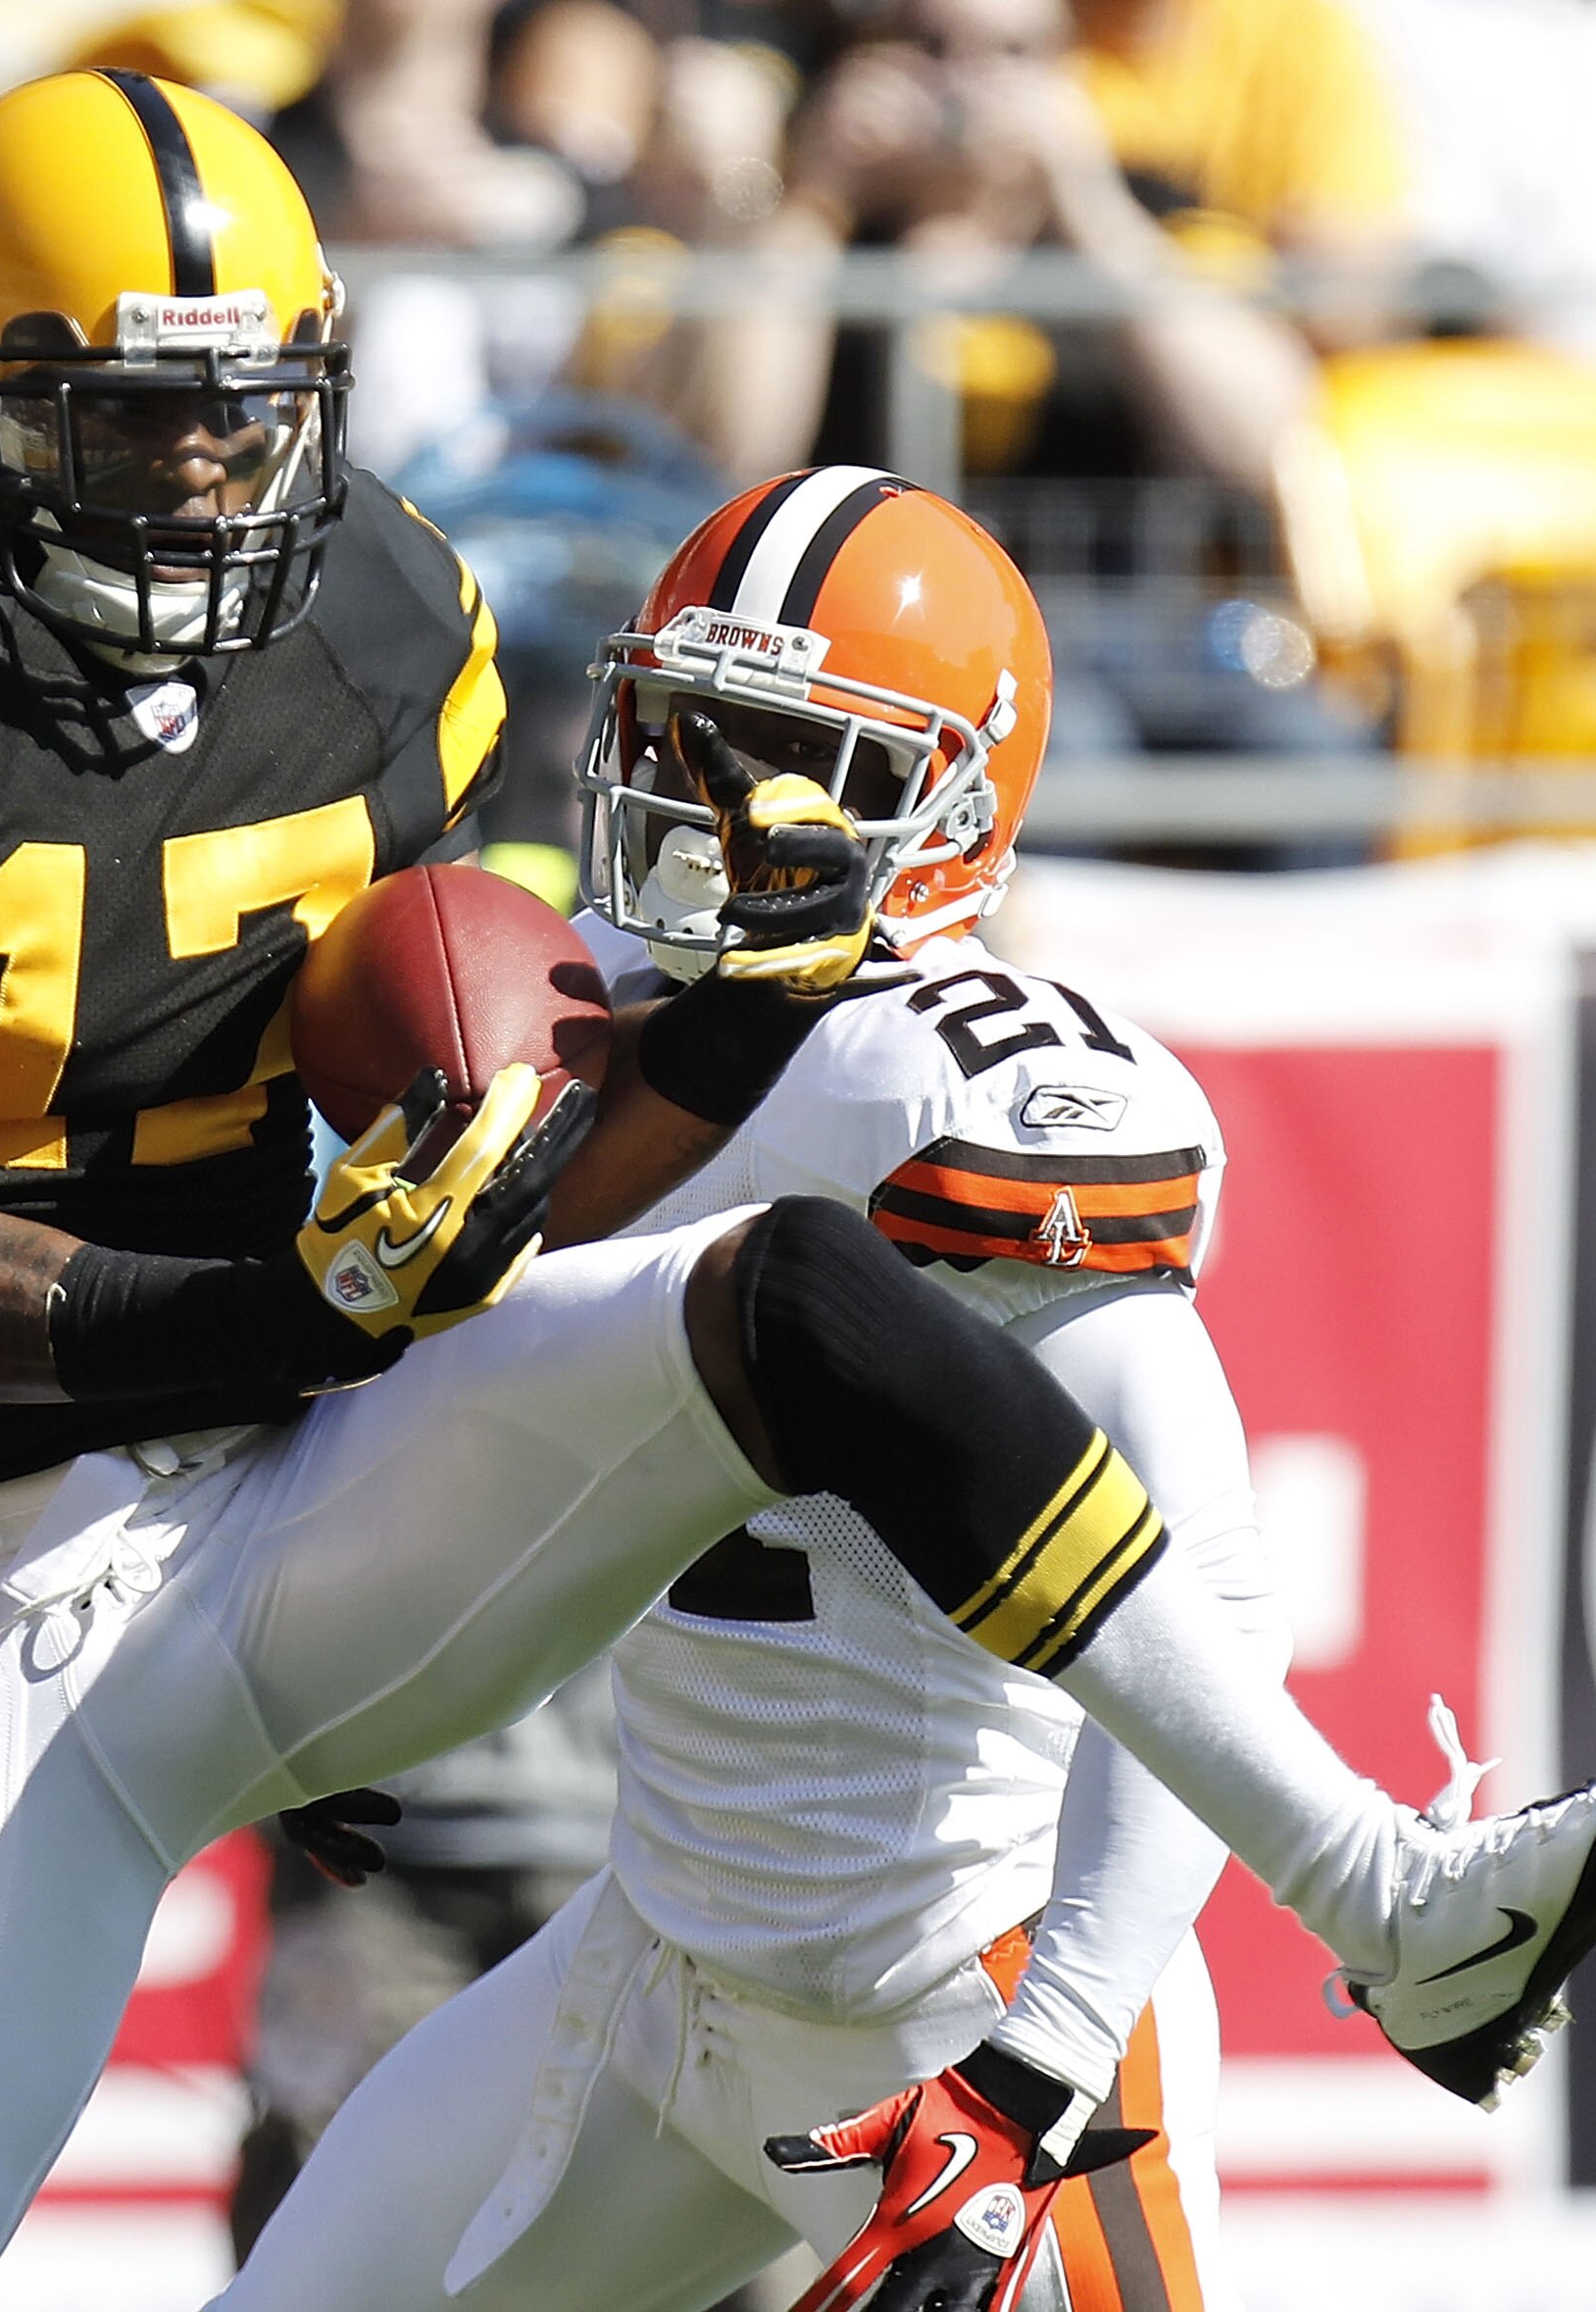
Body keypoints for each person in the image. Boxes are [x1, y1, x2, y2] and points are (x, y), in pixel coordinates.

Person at [0, 71, 1596, 2312]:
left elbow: (1159, 1504)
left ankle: (1385, 1890)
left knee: (785, 1296)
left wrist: (655, 1090)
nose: (204, 476)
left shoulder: (401, 638)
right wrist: (332, 1305)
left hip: (331, 1528)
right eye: (124, 421)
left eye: (243, 418)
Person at [219, 475, 1284, 2312]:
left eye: (796, 756)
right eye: (698, 736)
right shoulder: (589, 1025)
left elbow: (1221, 1607)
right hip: (660, 1956)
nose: (719, 804)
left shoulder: (963, 1092)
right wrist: (298, 1677)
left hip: (956, 1990)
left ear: (945, 807)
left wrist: (1051, 2050)